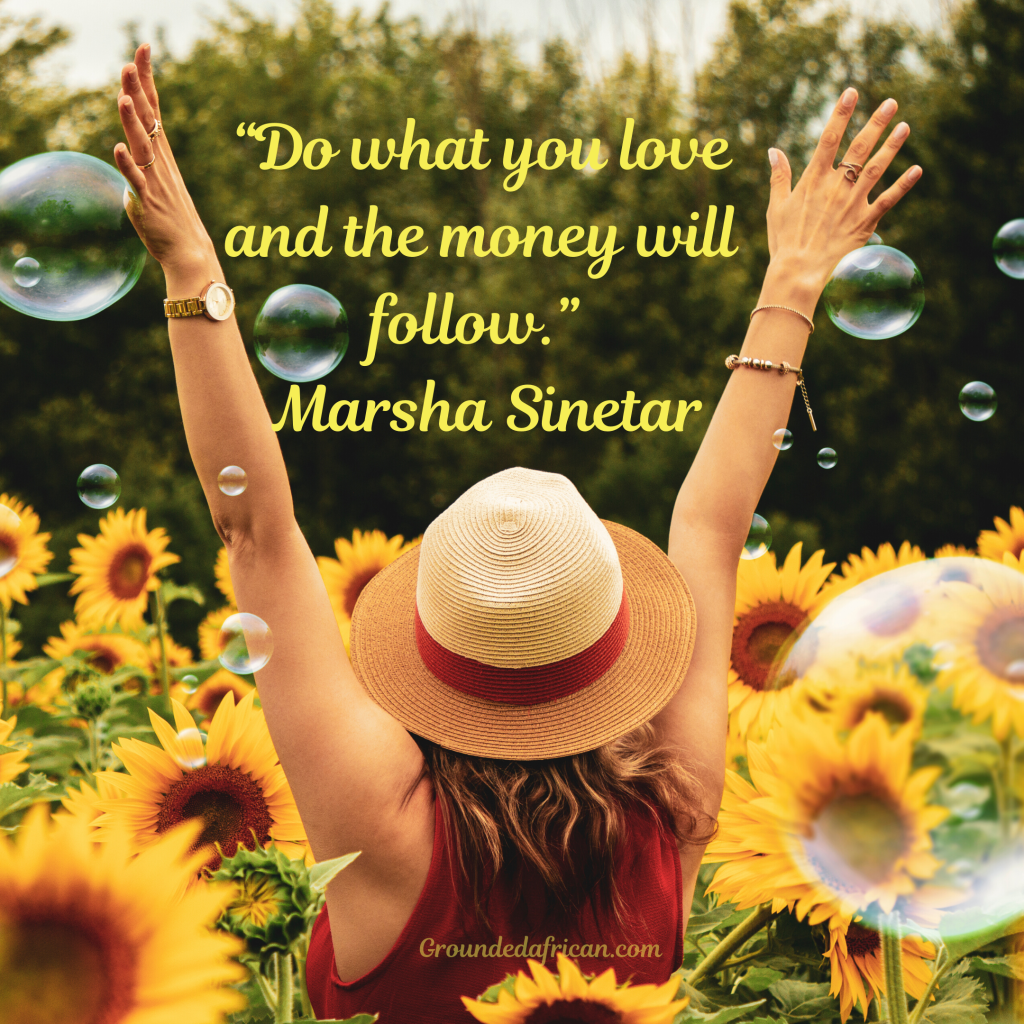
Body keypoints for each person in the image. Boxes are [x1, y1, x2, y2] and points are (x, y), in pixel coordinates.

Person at [111, 43, 921, 1022]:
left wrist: (192, 269)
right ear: (611, 645)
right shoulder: (671, 814)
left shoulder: (381, 823)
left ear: (431, 646)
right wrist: (791, 283)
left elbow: (255, 533)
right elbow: (709, 527)